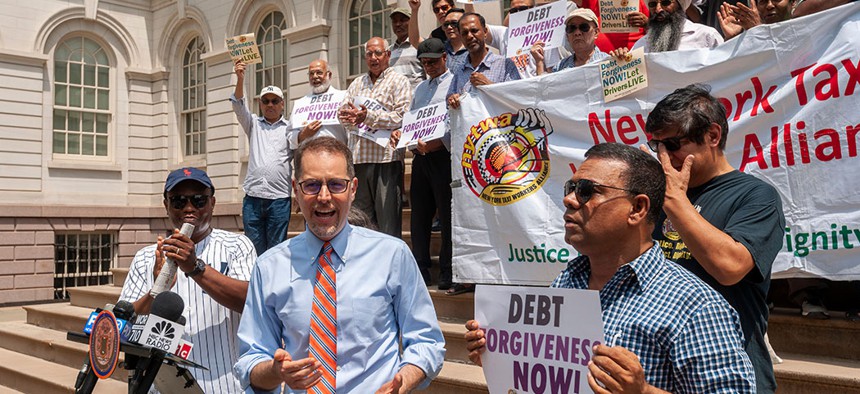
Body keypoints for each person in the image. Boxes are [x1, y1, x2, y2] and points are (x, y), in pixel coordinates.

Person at [464, 143, 756, 393]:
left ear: (638, 209)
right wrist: (503, 357)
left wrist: (643, 391)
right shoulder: (566, 284)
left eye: (587, 191)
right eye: (571, 187)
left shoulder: (695, 306)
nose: (569, 200)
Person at [234, 137, 446, 393]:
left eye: (336, 184)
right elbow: (251, 360)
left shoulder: (393, 256)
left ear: (353, 189)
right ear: (295, 189)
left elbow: (427, 341)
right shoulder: (268, 267)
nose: (324, 196)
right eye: (311, 185)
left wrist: (403, 382)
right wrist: (275, 372)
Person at [646, 84, 785, 393]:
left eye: (672, 144)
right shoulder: (660, 196)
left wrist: (674, 201)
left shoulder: (756, 196)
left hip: (730, 373)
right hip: (662, 370)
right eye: (656, 146)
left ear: (712, 135)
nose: (663, 156)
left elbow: (729, 266)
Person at [119, 167, 256, 393]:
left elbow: (250, 302)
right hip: (161, 386)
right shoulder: (146, 257)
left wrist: (195, 268)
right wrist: (157, 289)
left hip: (222, 384)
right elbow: (125, 323)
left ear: (212, 203)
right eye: (179, 201)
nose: (189, 208)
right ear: (166, 205)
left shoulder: (237, 246)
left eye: (199, 200)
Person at [390, 38, 455, 291]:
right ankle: (420, 269)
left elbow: (455, 122)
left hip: (443, 156)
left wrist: (437, 144)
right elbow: (412, 122)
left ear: (445, 58)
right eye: (424, 62)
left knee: (447, 216)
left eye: (433, 61)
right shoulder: (419, 89)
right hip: (420, 156)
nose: (429, 66)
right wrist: (402, 135)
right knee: (419, 216)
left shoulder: (455, 82)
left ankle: (448, 272)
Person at [338, 37, 413, 237]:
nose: (373, 58)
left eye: (378, 53)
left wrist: (368, 117)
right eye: (369, 54)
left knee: (388, 223)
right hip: (359, 159)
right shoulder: (356, 83)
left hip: (386, 160)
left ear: (387, 55)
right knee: (361, 222)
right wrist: (346, 116)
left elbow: (402, 117)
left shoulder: (399, 81)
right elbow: (343, 114)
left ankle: (389, 266)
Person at [230, 61, 294, 254]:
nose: (270, 105)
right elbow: (238, 104)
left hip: (279, 199)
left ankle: (274, 285)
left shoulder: (290, 128)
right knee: (253, 251)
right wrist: (240, 78)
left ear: (282, 104)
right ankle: (255, 284)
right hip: (253, 199)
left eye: (275, 101)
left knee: (276, 252)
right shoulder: (253, 125)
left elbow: (299, 160)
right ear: (260, 104)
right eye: (265, 101)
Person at [446, 12, 521, 110]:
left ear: (485, 32)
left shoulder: (505, 65)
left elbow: (517, 98)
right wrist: (452, 101)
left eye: (474, 31)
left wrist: (488, 85)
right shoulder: (460, 72)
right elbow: (448, 105)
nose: (469, 36)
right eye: (464, 33)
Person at [611, 0, 723, 57]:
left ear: (679, 5)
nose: (658, 9)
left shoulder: (706, 36)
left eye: (665, 2)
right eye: (653, 4)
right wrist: (621, 60)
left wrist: (731, 37)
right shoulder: (642, 45)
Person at [530, 8, 610, 75]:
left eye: (584, 27)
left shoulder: (609, 63)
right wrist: (539, 62)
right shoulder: (560, 67)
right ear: (567, 36)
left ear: (596, 33)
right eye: (571, 28)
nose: (577, 33)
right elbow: (546, 92)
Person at [289, 60, 348, 146]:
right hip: (308, 156)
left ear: (329, 75)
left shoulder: (343, 97)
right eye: (311, 74)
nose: (315, 76)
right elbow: (289, 133)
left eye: (319, 72)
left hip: (336, 155)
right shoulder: (300, 103)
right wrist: (302, 135)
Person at [407, 0, 469, 70]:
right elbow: (416, 42)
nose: (441, 12)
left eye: (444, 7)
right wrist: (414, 9)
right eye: (436, 10)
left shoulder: (469, 38)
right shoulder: (436, 35)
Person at [389, 8, 426, 89]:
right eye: (394, 21)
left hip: (416, 98)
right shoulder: (388, 51)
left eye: (402, 20)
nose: (398, 24)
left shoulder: (421, 45)